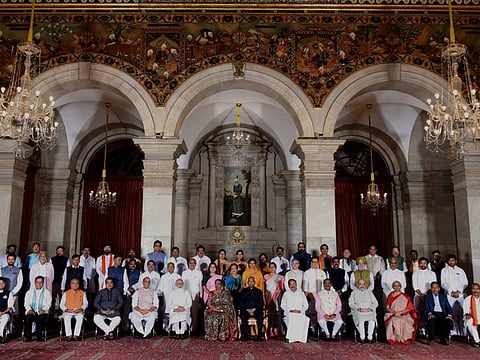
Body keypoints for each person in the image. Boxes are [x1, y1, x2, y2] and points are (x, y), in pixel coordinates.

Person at [441, 254, 468, 335]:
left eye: (453, 260)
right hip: (450, 295)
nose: (451, 262)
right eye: (450, 260)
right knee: (452, 313)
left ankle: (463, 333)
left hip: (460, 295)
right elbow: (443, 283)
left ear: (456, 261)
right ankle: (454, 332)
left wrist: (458, 291)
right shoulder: (444, 271)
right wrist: (451, 291)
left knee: (462, 313)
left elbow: (465, 282)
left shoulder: (461, 270)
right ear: (447, 261)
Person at [384, 280, 417, 345]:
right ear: (393, 287)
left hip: (404, 314)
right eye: (395, 286)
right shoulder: (390, 295)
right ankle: (393, 338)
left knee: (403, 321)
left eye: (398, 286)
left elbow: (409, 308)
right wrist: (394, 312)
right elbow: (387, 308)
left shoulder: (405, 296)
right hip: (392, 313)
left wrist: (400, 312)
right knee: (392, 320)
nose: (397, 287)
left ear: (400, 287)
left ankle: (403, 339)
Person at [412, 257, 436, 335]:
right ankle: (419, 329)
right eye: (421, 263)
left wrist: (425, 295)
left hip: (428, 296)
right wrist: (421, 295)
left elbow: (433, 286)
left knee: (428, 312)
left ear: (427, 264)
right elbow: (415, 286)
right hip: (418, 295)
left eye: (424, 263)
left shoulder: (432, 273)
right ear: (419, 264)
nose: (423, 265)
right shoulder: (415, 273)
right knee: (418, 313)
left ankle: (428, 329)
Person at [349, 278, 378, 343]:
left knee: (372, 319)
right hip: (359, 311)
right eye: (360, 284)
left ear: (365, 285)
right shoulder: (353, 293)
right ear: (357, 285)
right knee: (360, 319)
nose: (362, 286)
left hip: (369, 310)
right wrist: (358, 308)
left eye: (363, 284)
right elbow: (351, 303)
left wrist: (370, 308)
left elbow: (376, 303)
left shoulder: (370, 292)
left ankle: (370, 337)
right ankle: (362, 337)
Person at [24, 276, 52, 342]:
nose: (39, 284)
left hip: (42, 312)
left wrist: (44, 310)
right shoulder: (29, 292)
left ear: (43, 283)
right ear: (34, 283)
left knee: (41, 318)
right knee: (28, 318)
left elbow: (49, 304)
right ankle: (28, 337)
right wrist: (29, 310)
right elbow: (26, 303)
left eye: (41, 282)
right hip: (31, 311)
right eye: (37, 282)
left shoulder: (47, 292)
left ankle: (39, 337)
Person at [281, 279, 309, 343]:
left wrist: (301, 311)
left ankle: (300, 338)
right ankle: (291, 338)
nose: (292, 285)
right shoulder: (286, 294)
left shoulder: (301, 293)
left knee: (303, 318)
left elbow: (306, 305)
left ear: (296, 284)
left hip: (300, 313)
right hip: (289, 313)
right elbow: (282, 305)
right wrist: (290, 310)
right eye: (291, 284)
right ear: (288, 286)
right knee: (291, 318)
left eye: (294, 284)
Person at [303, 256, 326, 333]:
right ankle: (312, 327)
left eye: (316, 262)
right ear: (311, 263)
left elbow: (325, 284)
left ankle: (322, 327)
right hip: (311, 293)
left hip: (321, 294)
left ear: (318, 263)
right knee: (312, 311)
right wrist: (306, 293)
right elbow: (305, 285)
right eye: (313, 262)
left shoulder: (322, 272)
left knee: (321, 310)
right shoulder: (307, 272)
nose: (315, 264)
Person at [239, 276, 264, 341]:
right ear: (247, 282)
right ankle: (245, 335)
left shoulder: (259, 291)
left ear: (254, 282)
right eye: (249, 281)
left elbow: (261, 303)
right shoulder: (243, 291)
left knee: (260, 316)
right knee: (243, 316)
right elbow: (241, 303)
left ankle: (259, 336)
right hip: (246, 310)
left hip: (256, 310)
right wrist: (247, 310)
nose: (251, 282)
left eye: (252, 281)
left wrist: (254, 310)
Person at [182, 258, 203, 333]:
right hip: (187, 295)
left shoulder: (199, 273)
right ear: (188, 264)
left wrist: (200, 296)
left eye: (193, 263)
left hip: (195, 294)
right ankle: (186, 328)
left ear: (195, 264)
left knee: (195, 312)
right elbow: (183, 285)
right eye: (190, 263)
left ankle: (194, 329)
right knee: (187, 311)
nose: (192, 264)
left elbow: (200, 285)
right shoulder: (184, 273)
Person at [159, 262, 181, 330]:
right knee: (166, 311)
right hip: (166, 296)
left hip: (175, 297)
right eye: (169, 267)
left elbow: (180, 286)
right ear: (167, 268)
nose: (170, 268)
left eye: (172, 267)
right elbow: (160, 288)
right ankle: (165, 328)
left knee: (174, 311)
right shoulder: (163, 277)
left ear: (174, 268)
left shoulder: (177, 276)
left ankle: (174, 328)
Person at [264, 262, 284, 337]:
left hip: (277, 296)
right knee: (269, 313)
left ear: (276, 268)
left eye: (273, 267)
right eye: (270, 267)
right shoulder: (266, 276)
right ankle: (269, 329)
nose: (272, 268)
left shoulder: (280, 277)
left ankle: (277, 329)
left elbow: (282, 288)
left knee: (277, 313)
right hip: (268, 296)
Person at [122, 259, 141, 333]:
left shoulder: (139, 272)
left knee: (135, 310)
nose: (133, 265)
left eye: (134, 264)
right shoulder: (126, 271)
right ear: (128, 265)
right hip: (127, 293)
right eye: (131, 264)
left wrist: (133, 287)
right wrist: (128, 290)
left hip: (136, 292)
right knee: (126, 310)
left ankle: (135, 328)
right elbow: (124, 281)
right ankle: (125, 328)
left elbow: (140, 282)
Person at [50, 246, 70, 311]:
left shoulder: (67, 259)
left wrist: (63, 277)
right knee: (53, 296)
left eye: (61, 251)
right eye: (59, 251)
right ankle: (52, 312)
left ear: (63, 252)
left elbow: (68, 270)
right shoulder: (52, 259)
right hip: (54, 280)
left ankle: (62, 311)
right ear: (56, 251)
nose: (60, 252)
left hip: (62, 280)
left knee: (62, 297)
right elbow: (50, 270)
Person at [463, 282, 480, 347]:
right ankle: (477, 341)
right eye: (474, 289)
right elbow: (466, 312)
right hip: (472, 318)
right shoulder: (468, 299)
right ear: (472, 290)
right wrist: (468, 314)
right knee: (470, 321)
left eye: (477, 289)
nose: (476, 291)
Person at [0, 277, 13, 344]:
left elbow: (10, 306)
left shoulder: (8, 293)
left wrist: (3, 312)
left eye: (2, 283)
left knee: (5, 319)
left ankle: (1, 336)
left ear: (5, 284)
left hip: (5, 313)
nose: (1, 284)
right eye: (0, 283)